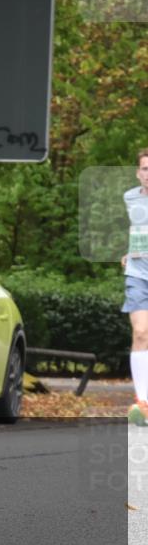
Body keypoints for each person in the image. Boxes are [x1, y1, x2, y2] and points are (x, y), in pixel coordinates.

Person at [122, 147, 148, 426]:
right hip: (138, 275)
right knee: (141, 332)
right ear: (138, 172)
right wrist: (129, 251)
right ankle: (143, 402)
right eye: (145, 168)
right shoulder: (130, 197)